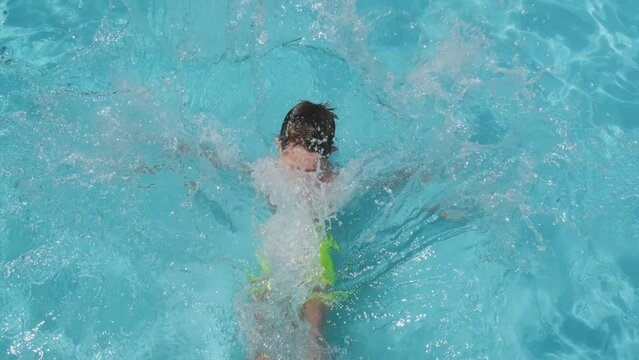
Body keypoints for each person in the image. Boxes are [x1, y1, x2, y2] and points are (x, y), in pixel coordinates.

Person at [252, 100, 339, 360]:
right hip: (275, 252)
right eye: (293, 168)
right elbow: (216, 164)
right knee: (260, 326)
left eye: (310, 172)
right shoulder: (265, 172)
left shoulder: (335, 183)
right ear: (279, 145)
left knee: (313, 328)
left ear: (329, 155)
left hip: (315, 256)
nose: (300, 180)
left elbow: (390, 180)